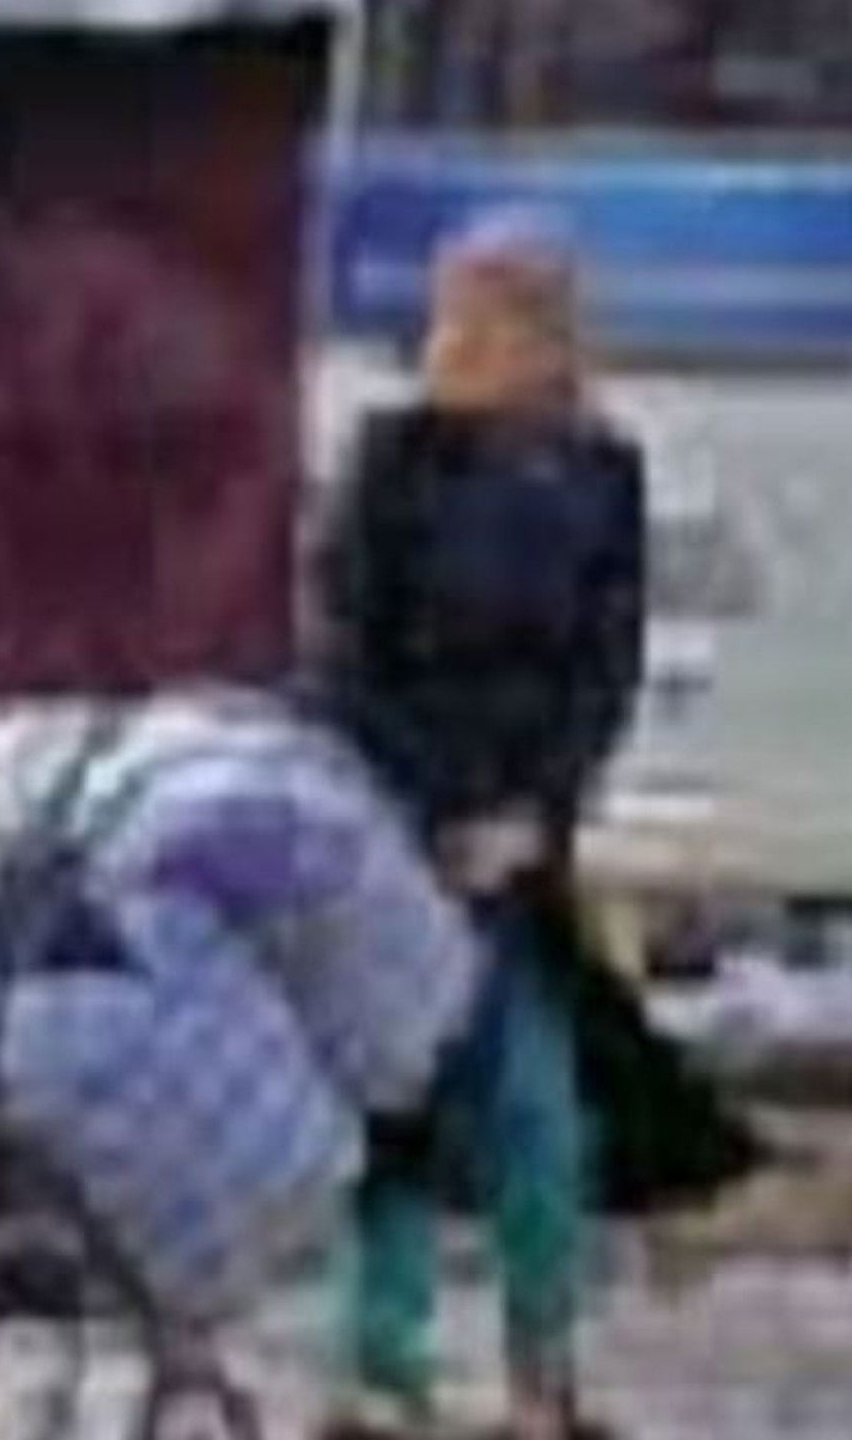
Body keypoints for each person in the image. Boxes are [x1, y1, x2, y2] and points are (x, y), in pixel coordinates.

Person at [314, 208, 646, 1440]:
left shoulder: (602, 468)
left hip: (522, 840)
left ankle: (539, 1379)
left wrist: (531, 815)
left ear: (545, 332)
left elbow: (604, 670)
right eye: (454, 308)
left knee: (538, 1110)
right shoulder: (390, 455)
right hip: (398, 823)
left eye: (490, 313)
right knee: (405, 1092)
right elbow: (344, 658)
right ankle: (378, 1372)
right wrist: (433, 812)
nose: (458, 333)